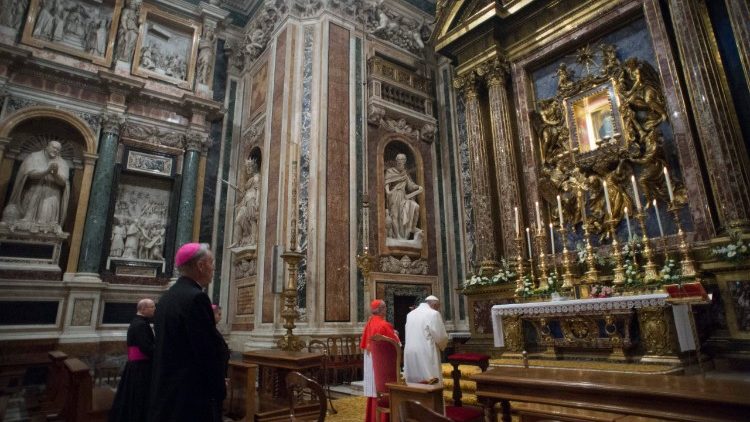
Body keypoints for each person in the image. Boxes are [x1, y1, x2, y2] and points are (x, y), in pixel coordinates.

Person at [148, 243, 227, 422]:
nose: (213, 268)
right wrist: (219, 389)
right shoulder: (196, 298)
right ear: (200, 265)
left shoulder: (167, 298)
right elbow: (205, 351)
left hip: (167, 389)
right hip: (190, 394)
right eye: (211, 263)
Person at [1, 140, 69, 227]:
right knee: (26, 220)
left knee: (46, 222)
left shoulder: (62, 162)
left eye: (58, 149)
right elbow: (30, 174)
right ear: (47, 147)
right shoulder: (34, 157)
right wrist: (47, 171)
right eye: (54, 147)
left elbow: (63, 182)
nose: (56, 150)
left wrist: (55, 174)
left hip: (51, 195)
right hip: (33, 190)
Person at [109, 299, 156, 422]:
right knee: (138, 397)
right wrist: (160, 351)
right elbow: (146, 347)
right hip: (140, 367)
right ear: (143, 309)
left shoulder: (138, 322)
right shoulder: (140, 324)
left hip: (137, 365)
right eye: (152, 307)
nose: (154, 309)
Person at [360, 299, 399, 422]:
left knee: (375, 389)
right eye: (385, 307)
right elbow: (396, 345)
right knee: (383, 388)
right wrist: (396, 334)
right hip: (382, 364)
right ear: (381, 309)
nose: (386, 309)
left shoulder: (370, 323)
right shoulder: (384, 325)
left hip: (371, 359)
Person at [403, 295, 448, 384]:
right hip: (426, 352)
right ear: (434, 305)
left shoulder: (410, 314)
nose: (437, 310)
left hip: (410, 352)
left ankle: (413, 398)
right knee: (430, 380)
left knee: (414, 381)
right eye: (438, 307)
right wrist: (443, 345)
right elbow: (440, 336)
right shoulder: (433, 314)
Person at [384, 153, 423, 240]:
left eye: (401, 159)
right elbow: (387, 182)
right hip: (394, 194)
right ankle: (397, 236)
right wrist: (388, 192)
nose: (399, 161)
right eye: (398, 159)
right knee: (395, 215)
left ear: (405, 161)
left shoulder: (405, 174)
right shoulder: (390, 171)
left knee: (415, 207)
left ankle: (409, 230)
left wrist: (417, 187)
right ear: (396, 161)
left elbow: (410, 186)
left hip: (404, 196)